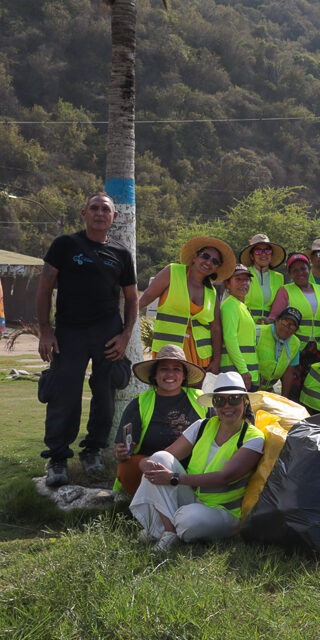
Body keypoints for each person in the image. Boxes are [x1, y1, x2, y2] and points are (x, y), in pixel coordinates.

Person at [37, 193, 138, 486]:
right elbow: (44, 289)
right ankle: (57, 458)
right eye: (94, 208)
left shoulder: (121, 253)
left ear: (113, 218)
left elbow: (131, 299)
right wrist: (45, 330)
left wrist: (125, 335)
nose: (99, 213)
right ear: (84, 213)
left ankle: (93, 450)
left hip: (108, 331)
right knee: (63, 393)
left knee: (105, 394)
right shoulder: (65, 245)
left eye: (105, 209)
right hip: (69, 331)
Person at [129, 371, 264, 553]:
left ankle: (159, 528)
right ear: (214, 404)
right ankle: (169, 532)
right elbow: (167, 455)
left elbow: (225, 477)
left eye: (233, 399)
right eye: (219, 401)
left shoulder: (254, 437)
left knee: (188, 520)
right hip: (192, 497)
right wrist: (145, 463)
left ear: (244, 401)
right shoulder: (202, 425)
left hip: (222, 511)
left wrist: (174, 478)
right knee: (159, 459)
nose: (227, 406)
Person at [115, 345, 207, 495]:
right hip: (152, 467)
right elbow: (124, 446)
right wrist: (121, 452)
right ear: (155, 375)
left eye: (176, 369)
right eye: (164, 369)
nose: (170, 374)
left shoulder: (200, 399)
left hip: (194, 467)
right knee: (127, 467)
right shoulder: (139, 403)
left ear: (184, 375)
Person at [142, 235, 235, 372]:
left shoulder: (212, 292)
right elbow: (147, 296)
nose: (209, 262)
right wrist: (125, 318)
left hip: (201, 356)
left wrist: (216, 360)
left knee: (196, 393)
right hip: (168, 352)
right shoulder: (172, 271)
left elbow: (216, 329)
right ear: (195, 256)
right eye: (205, 256)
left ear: (217, 268)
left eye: (215, 261)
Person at [266, 253, 320, 390]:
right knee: (294, 390)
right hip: (296, 350)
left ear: (309, 269)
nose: (300, 273)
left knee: (317, 389)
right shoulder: (285, 291)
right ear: (290, 274)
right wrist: (266, 322)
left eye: (303, 269)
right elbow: (275, 316)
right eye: (295, 270)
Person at [219, 264, 259, 390]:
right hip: (236, 374)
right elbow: (230, 339)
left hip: (246, 372)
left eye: (246, 280)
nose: (243, 283)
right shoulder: (229, 306)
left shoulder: (241, 305)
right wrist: (243, 371)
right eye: (238, 279)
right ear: (227, 284)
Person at [256, 307, 302, 396]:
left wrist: (283, 399)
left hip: (268, 391)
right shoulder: (258, 332)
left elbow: (288, 374)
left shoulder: (295, 343)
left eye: (292, 326)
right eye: (285, 322)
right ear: (277, 320)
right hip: (249, 387)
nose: (287, 328)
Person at [238, 234, 284, 322]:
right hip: (245, 323)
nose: (263, 254)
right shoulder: (243, 274)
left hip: (269, 327)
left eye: (267, 250)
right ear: (252, 256)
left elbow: (280, 306)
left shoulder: (279, 278)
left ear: (271, 255)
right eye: (258, 251)